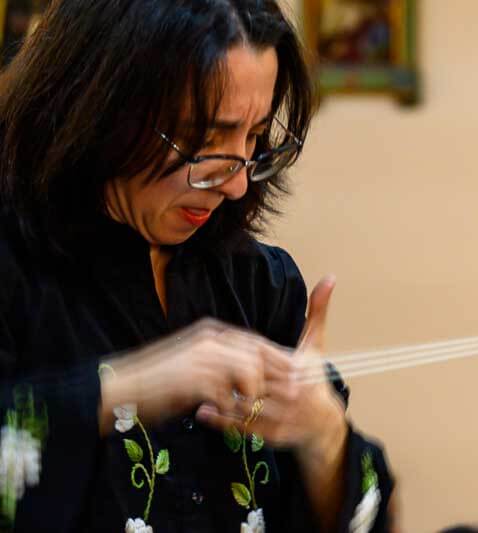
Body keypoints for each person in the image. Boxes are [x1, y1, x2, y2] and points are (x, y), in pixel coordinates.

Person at [0, 1, 393, 531]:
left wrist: (324, 437)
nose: (236, 183)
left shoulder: (259, 285)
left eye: (253, 138)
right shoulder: (16, 273)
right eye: (207, 139)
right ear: (98, 108)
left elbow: (368, 518)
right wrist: (122, 390)